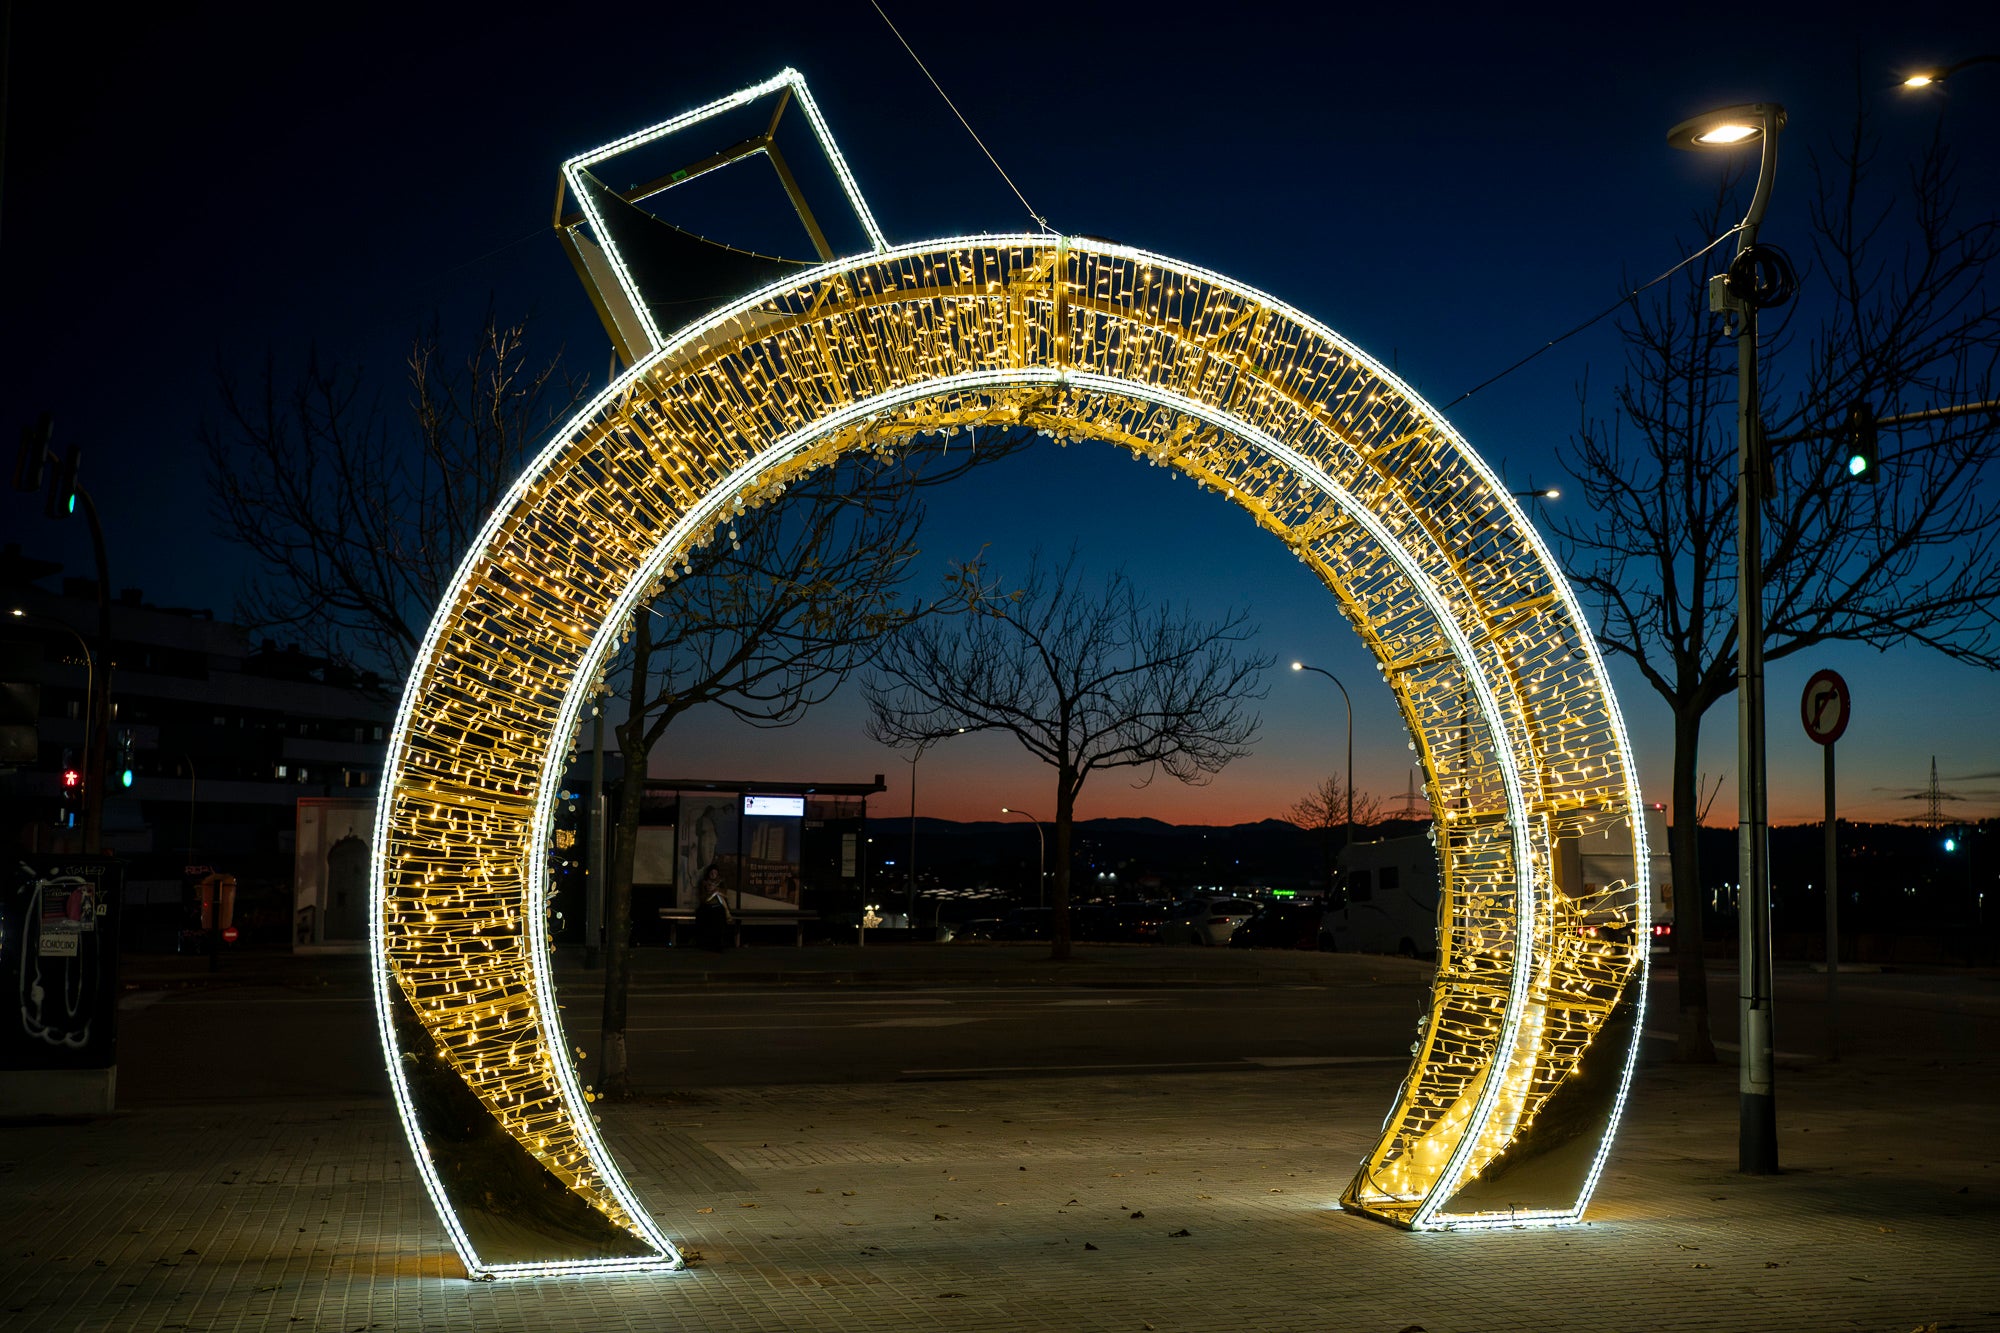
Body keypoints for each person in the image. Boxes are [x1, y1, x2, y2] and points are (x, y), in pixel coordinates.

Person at [694, 867, 733, 952]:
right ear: (708, 873)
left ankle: (719, 944)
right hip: (707, 906)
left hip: (718, 907)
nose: (713, 875)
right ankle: (707, 944)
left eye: (715, 873)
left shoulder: (721, 883)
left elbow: (725, 893)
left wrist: (716, 889)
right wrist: (710, 892)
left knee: (719, 921)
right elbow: (702, 897)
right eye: (712, 873)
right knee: (706, 919)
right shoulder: (704, 883)